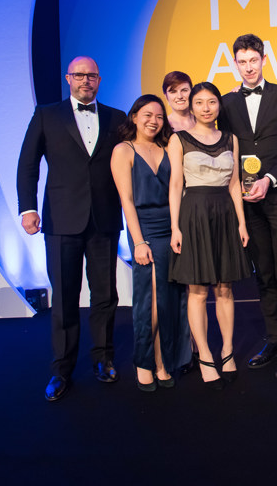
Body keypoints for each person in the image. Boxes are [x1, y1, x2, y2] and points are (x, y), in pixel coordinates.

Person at [16, 56, 127, 401]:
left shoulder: (117, 118)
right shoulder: (47, 115)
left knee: (105, 295)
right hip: (61, 219)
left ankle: (103, 359)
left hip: (104, 218)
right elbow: (27, 164)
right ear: (68, 78)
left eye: (91, 75)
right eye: (79, 75)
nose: (85, 81)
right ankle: (61, 369)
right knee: (64, 298)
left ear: (99, 79)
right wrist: (28, 208)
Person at [218, 33, 277, 379]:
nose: (249, 67)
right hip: (247, 201)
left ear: (264, 60)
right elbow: (224, 149)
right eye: (242, 61)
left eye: (254, 60)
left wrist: (270, 178)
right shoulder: (225, 103)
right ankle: (273, 338)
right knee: (264, 273)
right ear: (235, 63)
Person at [168, 82, 251, 389]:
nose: (206, 107)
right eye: (199, 102)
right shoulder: (179, 139)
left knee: (225, 288)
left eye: (212, 102)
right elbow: (176, 185)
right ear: (191, 106)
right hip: (194, 214)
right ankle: (204, 355)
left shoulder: (230, 138)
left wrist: (242, 224)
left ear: (219, 105)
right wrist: (175, 227)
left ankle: (227, 351)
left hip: (226, 214)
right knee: (198, 291)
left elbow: (234, 185)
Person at [110, 94, 192, 392]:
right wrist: (138, 242)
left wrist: (178, 228)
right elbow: (126, 201)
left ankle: (163, 361)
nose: (153, 121)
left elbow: (177, 189)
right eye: (147, 114)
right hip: (144, 230)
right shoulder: (124, 150)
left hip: (172, 228)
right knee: (151, 302)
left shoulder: (167, 146)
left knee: (169, 300)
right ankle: (145, 362)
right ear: (134, 116)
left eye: (159, 116)